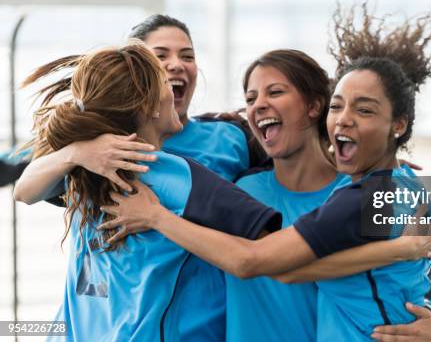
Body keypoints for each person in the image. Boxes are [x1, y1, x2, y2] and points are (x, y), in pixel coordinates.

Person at [15, 15, 431, 341]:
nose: (173, 67)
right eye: (249, 97)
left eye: (275, 92)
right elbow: (24, 187)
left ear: (313, 106)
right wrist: (76, 151)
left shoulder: (349, 189)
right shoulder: (108, 160)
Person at [14, 43, 282, 341]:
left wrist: (158, 218)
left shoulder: (85, 171)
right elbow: (23, 191)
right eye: (163, 80)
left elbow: (24, 193)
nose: (173, 74)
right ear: (149, 106)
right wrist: (76, 151)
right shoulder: (175, 177)